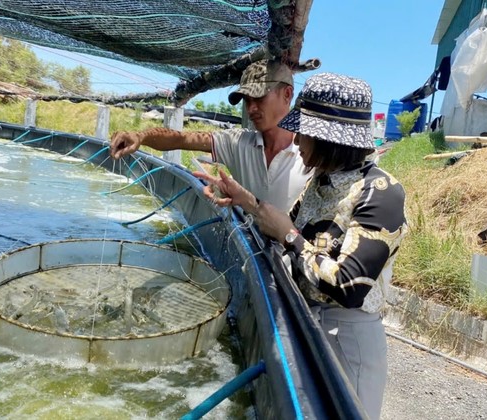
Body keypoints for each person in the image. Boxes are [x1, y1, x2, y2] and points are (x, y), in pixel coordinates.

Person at [195, 73, 407, 420]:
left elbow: (348, 286)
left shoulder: (381, 192)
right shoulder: (321, 182)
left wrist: (289, 237)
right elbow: (284, 222)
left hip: (347, 335)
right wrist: (244, 200)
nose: (297, 142)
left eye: (304, 133)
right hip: (309, 319)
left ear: (328, 138)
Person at [109, 59, 311, 212]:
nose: (251, 108)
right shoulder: (237, 143)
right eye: (246, 100)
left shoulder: (313, 155)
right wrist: (141, 136)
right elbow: (182, 139)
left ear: (287, 94)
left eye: (259, 97)